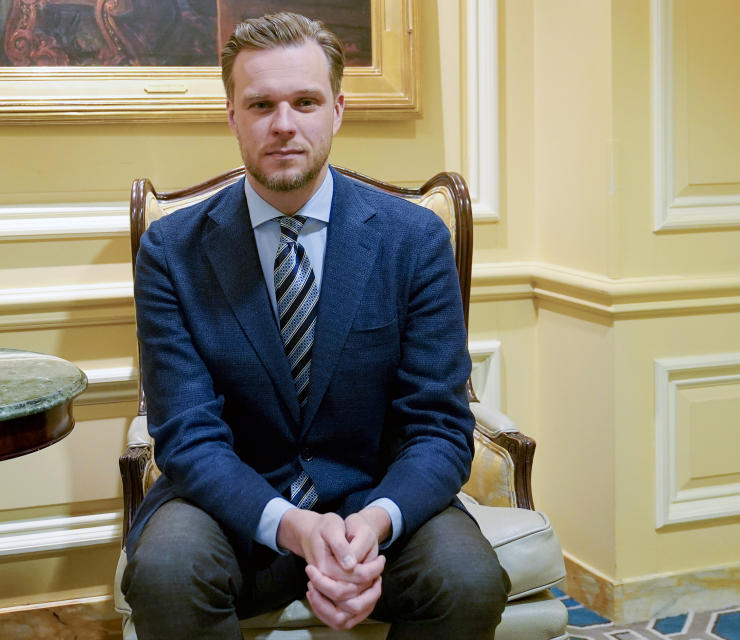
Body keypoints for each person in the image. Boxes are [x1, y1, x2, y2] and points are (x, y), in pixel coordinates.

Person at [121, 11, 509, 640]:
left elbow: (438, 425)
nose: (283, 125)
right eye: (260, 104)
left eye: (305, 101)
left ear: (337, 111)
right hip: (233, 511)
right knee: (166, 570)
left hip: (373, 505)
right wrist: (292, 525)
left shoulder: (414, 242)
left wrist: (374, 524)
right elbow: (187, 435)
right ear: (231, 115)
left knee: (467, 578)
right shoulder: (172, 251)